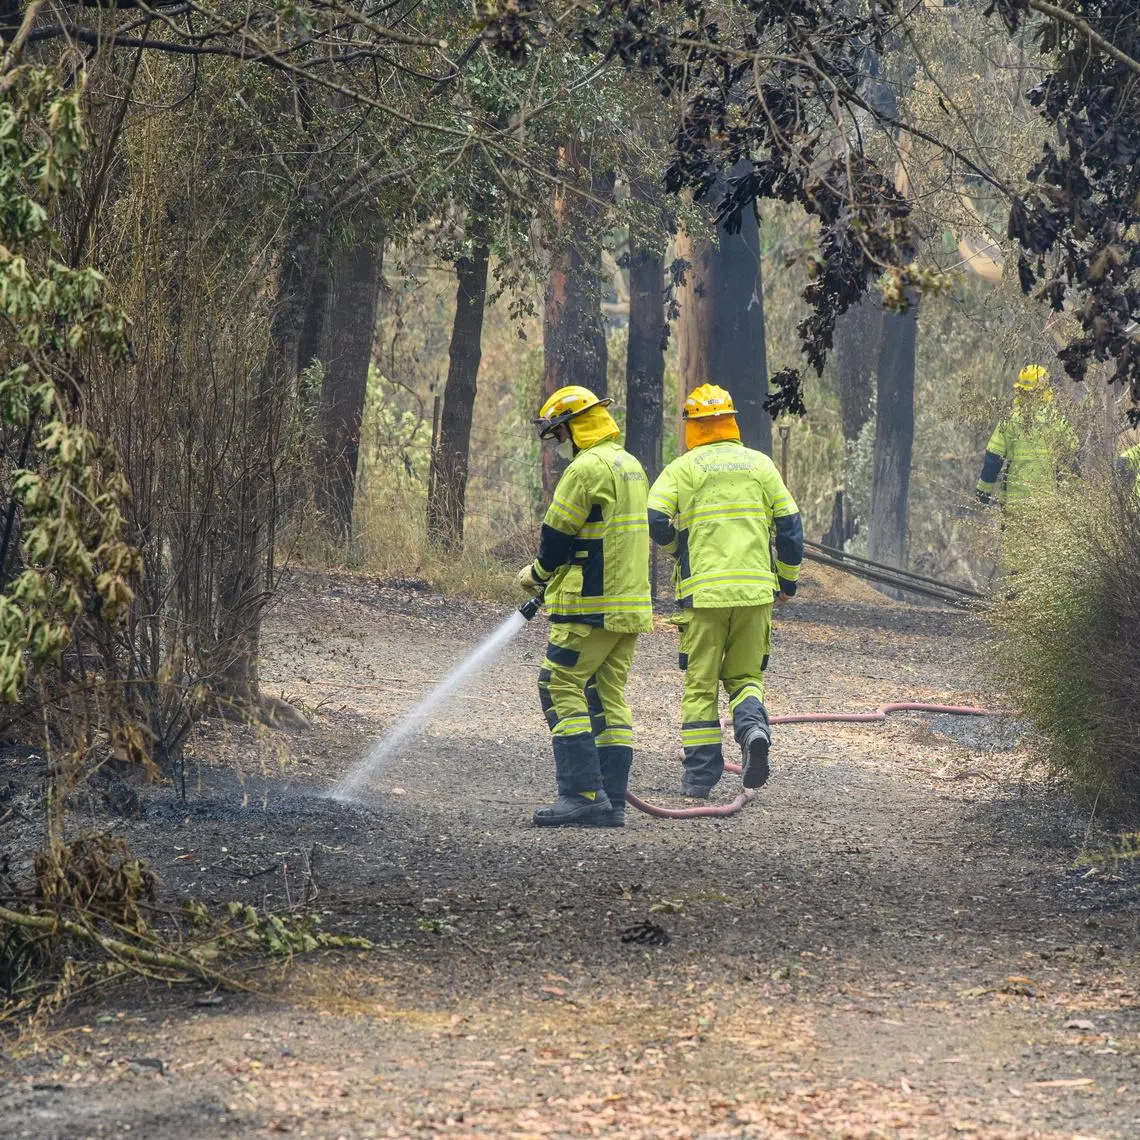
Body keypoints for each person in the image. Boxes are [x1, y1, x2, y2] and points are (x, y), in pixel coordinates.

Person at [647, 384, 803, 798]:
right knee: (747, 676)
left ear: (691, 426)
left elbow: (655, 516)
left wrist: (679, 548)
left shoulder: (683, 468)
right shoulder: (760, 465)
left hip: (704, 597)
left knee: (701, 684)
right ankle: (753, 730)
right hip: (755, 593)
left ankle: (700, 778)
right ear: (732, 420)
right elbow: (790, 526)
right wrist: (786, 581)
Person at [516, 385, 652, 827]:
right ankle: (610, 801)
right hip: (627, 607)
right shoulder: (631, 465)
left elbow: (556, 538)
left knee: (558, 685)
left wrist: (536, 575)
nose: (558, 446)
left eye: (559, 436)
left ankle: (580, 794)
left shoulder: (585, 469)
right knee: (606, 695)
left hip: (588, 607)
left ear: (575, 427)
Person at [976, 365, 1077, 509]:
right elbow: (1073, 455)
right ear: (1046, 390)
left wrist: (982, 495)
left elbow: (993, 460)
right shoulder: (1056, 420)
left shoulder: (1010, 419)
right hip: (1049, 507)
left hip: (1015, 506)